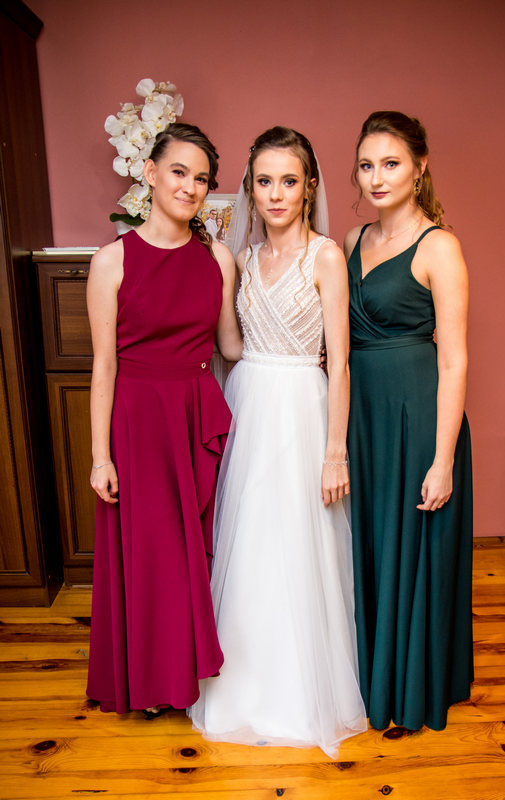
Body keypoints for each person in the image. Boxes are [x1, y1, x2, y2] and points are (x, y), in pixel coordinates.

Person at [189, 126, 367, 757]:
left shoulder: (326, 257)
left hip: (302, 409)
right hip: (251, 405)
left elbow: (340, 362)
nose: (275, 194)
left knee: (300, 543)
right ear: (249, 188)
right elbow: (231, 347)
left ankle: (301, 691)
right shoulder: (239, 259)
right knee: (251, 545)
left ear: (309, 187)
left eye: (289, 181)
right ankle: (244, 685)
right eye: (263, 181)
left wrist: (335, 452)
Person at [86, 122, 242, 717]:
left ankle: (180, 675)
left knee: (190, 552)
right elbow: (103, 365)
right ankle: (152, 685)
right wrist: (100, 457)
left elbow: (229, 346)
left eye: (201, 179)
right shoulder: (111, 260)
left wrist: (302, 351)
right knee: (151, 554)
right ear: (150, 173)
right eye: (179, 172)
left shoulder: (218, 258)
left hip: (195, 413)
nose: (189, 187)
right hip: (138, 422)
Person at [344, 111, 473, 731]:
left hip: (417, 418)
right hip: (362, 420)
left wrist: (443, 459)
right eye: (366, 165)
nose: (377, 177)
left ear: (419, 168)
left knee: (413, 551)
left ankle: (411, 689)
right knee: (368, 545)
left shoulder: (439, 246)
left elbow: (455, 360)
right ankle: (369, 678)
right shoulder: (351, 240)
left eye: (390, 163)